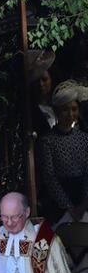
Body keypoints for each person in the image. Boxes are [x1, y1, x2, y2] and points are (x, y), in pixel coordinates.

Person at [37, 80, 88, 224]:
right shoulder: (47, 141)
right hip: (58, 203)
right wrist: (69, 207)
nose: (70, 114)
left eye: (74, 109)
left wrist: (84, 204)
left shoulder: (84, 138)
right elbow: (49, 177)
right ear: (57, 111)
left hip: (82, 198)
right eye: (65, 109)